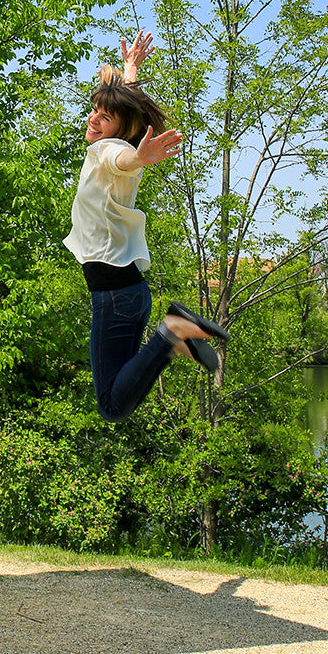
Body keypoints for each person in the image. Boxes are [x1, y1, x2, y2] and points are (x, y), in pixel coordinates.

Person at [64, 31, 230, 423]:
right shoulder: (118, 141)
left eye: (104, 118)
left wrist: (139, 159)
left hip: (115, 298)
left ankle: (173, 332)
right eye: (94, 110)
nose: (94, 119)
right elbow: (126, 121)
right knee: (124, 390)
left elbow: (122, 159)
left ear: (120, 132)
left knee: (112, 406)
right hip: (130, 295)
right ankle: (173, 341)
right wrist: (131, 69)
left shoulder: (112, 151)